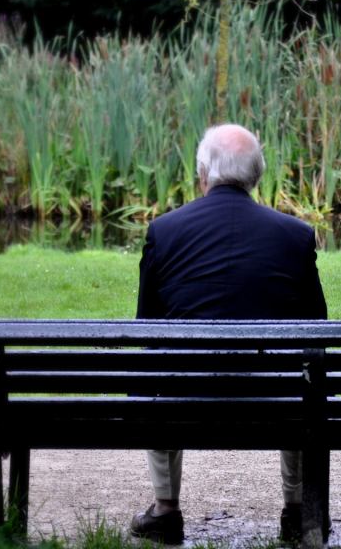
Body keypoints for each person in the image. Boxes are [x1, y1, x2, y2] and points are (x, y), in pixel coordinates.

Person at [131, 123, 328, 544]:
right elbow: (317, 329)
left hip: (183, 398)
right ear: (256, 175)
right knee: (302, 379)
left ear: (203, 172)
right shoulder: (295, 236)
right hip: (276, 400)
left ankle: (165, 509)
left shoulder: (164, 232)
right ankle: (297, 511)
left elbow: (146, 327)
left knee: (155, 373)